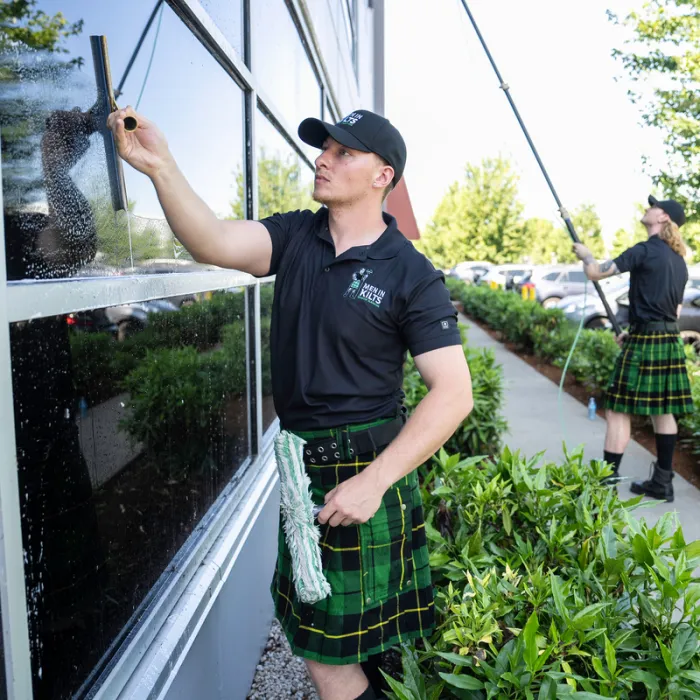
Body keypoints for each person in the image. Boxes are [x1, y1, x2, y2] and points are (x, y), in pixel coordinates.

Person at [108, 106, 474, 700]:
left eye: (343, 152)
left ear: (384, 175)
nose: (323, 159)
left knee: (332, 659)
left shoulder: (411, 273)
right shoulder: (296, 236)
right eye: (323, 147)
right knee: (340, 646)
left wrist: (374, 482)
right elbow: (215, 240)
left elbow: (454, 395)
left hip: (362, 474)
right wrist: (161, 166)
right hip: (305, 469)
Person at [6, 107, 107, 698]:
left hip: (43, 433)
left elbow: (77, 240)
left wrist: (52, 167)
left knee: (61, 573)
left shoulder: (12, 230)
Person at [573, 195, 692, 502]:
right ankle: (662, 483)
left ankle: (606, 484)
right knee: (663, 410)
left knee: (617, 410)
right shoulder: (679, 262)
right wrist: (635, 331)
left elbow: (595, 272)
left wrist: (586, 254)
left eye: (652, 206)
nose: (646, 208)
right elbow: (674, 313)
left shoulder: (644, 250)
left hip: (646, 341)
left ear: (662, 216)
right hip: (667, 340)